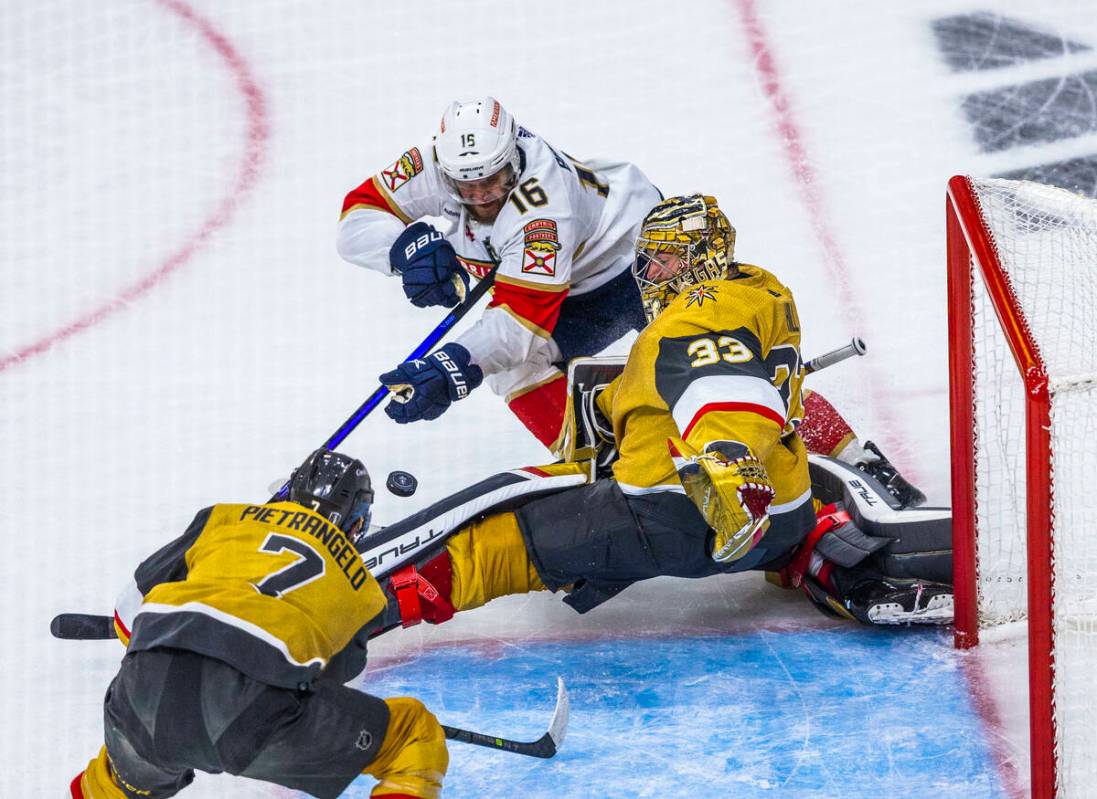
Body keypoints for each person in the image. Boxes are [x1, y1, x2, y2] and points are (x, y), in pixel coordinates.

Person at [359, 196, 952, 640]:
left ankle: (359, 603)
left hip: (681, 514)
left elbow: (714, 381)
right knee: (801, 511)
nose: (652, 276)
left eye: (666, 261)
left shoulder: (698, 310)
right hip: (782, 516)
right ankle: (833, 562)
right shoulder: (765, 294)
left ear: (703, 257)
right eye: (647, 262)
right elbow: (721, 381)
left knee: (500, 536)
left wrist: (728, 464)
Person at [337, 98, 926, 508]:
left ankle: (855, 456)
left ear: (513, 155)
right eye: (466, 188)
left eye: (491, 182)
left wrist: (450, 370)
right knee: (520, 373)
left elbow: (517, 322)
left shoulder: (542, 210)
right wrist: (404, 247)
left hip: (632, 256)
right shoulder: (443, 164)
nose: (480, 197)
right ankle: (607, 471)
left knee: (702, 360)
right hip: (560, 279)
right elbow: (357, 213)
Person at [71, 450, 449, 799]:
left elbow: (126, 615)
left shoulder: (219, 519)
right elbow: (330, 677)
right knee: (411, 736)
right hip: (249, 714)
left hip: (139, 693)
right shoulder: (362, 587)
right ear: (357, 524)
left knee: (113, 783)